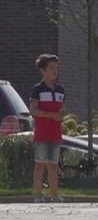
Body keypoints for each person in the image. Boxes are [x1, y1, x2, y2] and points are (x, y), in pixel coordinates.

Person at [29, 54, 65, 203]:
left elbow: (62, 110)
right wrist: (52, 115)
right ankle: (38, 195)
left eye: (56, 68)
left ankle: (54, 195)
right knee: (40, 164)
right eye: (51, 68)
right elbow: (33, 110)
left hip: (55, 133)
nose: (55, 71)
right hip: (42, 133)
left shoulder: (60, 89)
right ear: (43, 70)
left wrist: (61, 115)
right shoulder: (37, 89)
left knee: (53, 165)